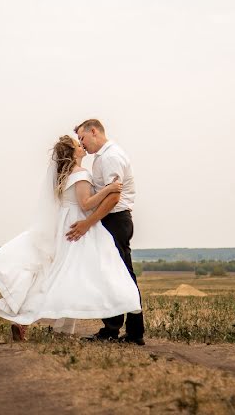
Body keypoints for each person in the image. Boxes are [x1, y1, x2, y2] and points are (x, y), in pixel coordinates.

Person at [0, 134, 141, 340]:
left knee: (62, 276)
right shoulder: (81, 174)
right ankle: (26, 320)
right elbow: (85, 204)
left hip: (64, 226)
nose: (81, 145)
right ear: (73, 152)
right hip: (78, 227)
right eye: (78, 144)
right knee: (75, 276)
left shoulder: (63, 175)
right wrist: (109, 189)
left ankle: (53, 327)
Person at [67, 118, 144, 345]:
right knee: (110, 274)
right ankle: (112, 329)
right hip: (110, 219)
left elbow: (114, 197)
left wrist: (87, 223)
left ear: (94, 132)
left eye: (82, 137)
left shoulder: (110, 157)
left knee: (123, 275)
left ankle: (133, 333)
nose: (81, 143)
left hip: (116, 219)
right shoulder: (103, 157)